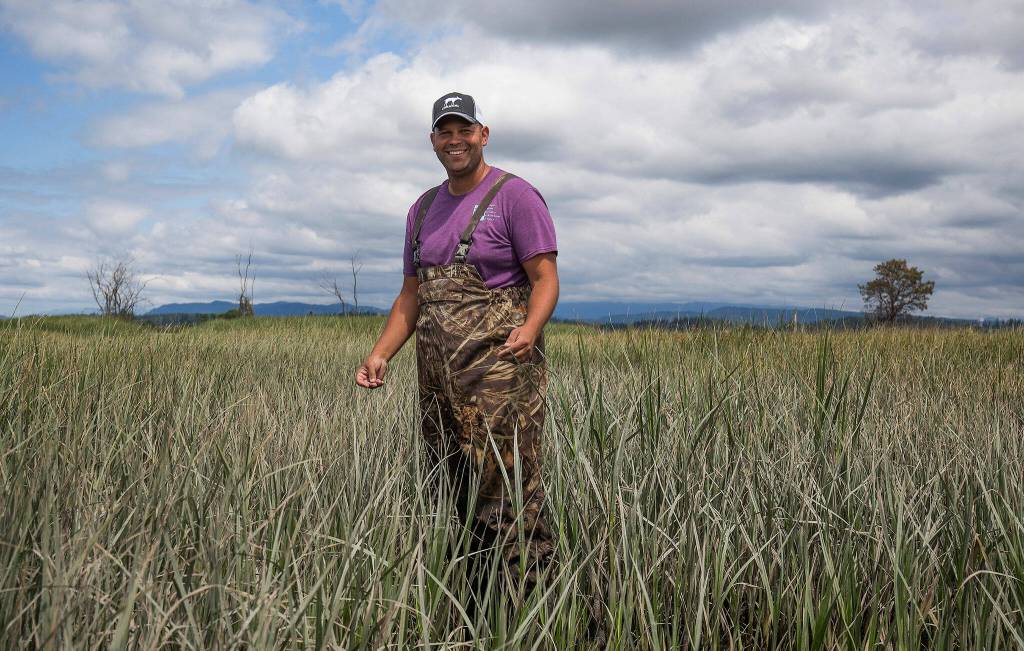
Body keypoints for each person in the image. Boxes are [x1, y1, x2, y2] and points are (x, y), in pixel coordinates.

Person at [355, 92, 560, 599]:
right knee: (453, 494)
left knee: (510, 497)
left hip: (501, 378)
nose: (455, 140)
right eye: (445, 132)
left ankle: (533, 612)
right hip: (437, 386)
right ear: (432, 141)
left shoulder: (516, 196)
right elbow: (412, 296)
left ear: (482, 134)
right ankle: (475, 608)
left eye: (464, 129)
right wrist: (380, 354)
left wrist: (531, 329)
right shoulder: (422, 210)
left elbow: (546, 278)